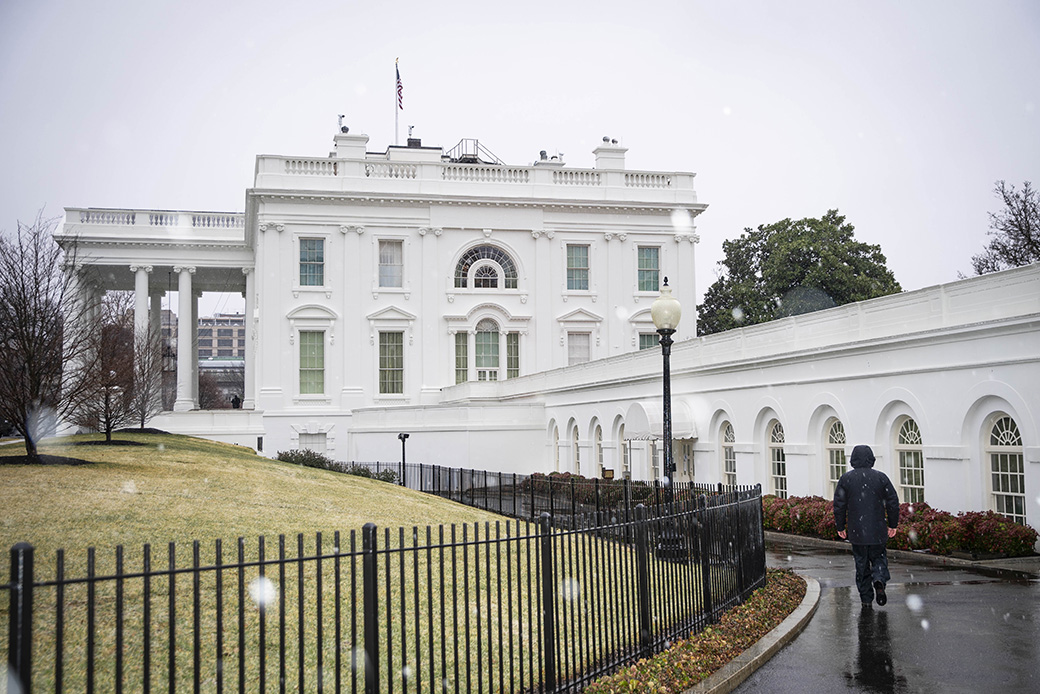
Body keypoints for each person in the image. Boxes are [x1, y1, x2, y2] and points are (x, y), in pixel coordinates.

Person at [833, 444, 900, 608]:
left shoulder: (846, 479)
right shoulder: (881, 478)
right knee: (879, 558)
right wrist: (893, 524)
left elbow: (839, 505)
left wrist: (840, 526)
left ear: (853, 459)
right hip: (878, 529)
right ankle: (879, 581)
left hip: (857, 531)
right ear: (871, 459)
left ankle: (866, 599)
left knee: (861, 564)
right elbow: (893, 502)